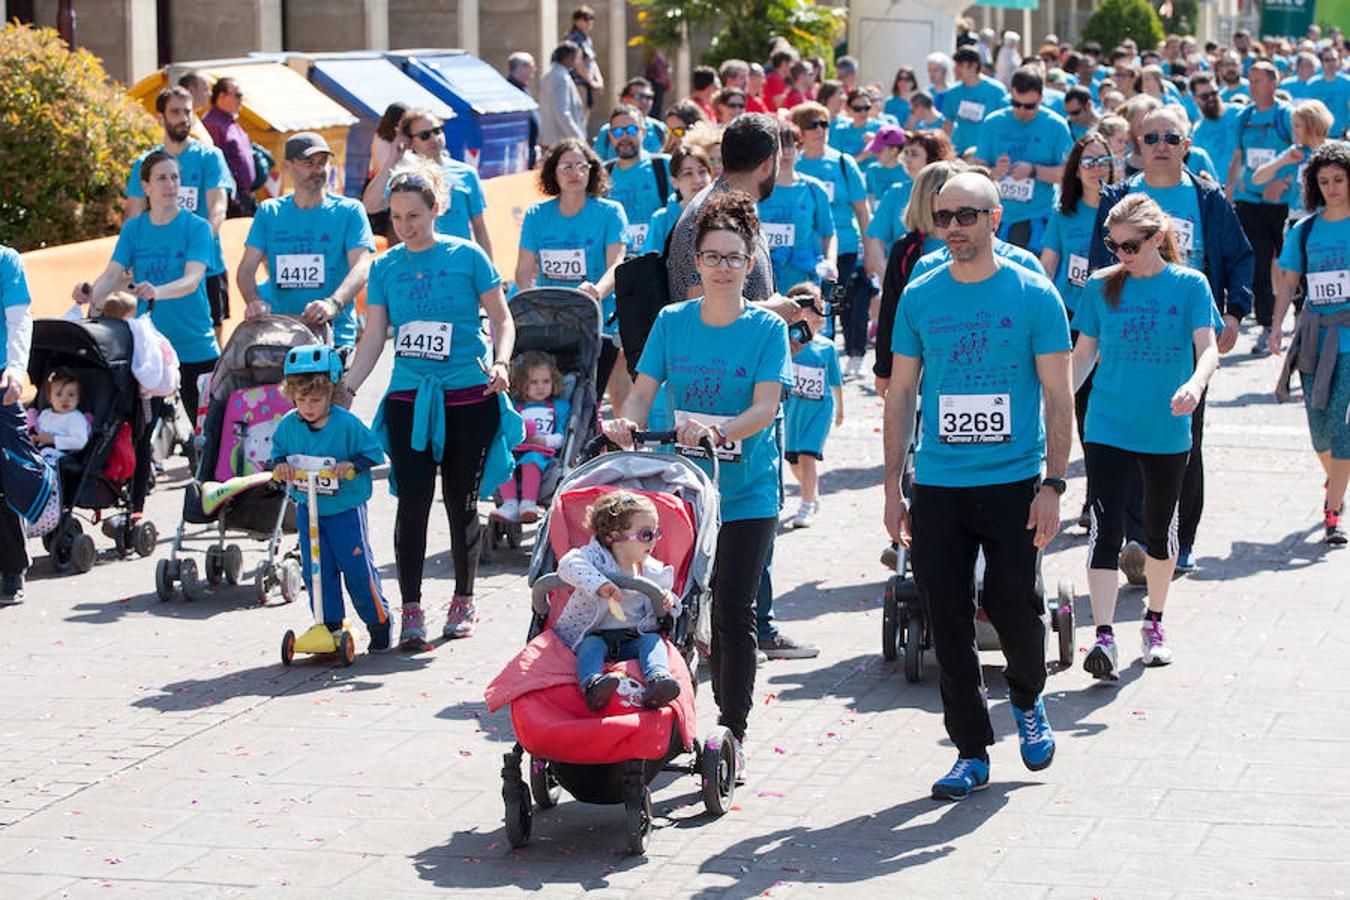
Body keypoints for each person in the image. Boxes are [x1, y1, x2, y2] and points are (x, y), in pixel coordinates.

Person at [882, 172, 1071, 801]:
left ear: (995, 218)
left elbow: (1057, 394)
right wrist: (891, 488)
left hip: (1015, 479)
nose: (955, 227)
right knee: (948, 616)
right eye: (944, 216)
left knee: (1014, 604)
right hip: (938, 482)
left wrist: (1054, 484)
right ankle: (970, 750)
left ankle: (1028, 699)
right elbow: (902, 393)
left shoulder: (1033, 292)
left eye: (967, 215)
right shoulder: (921, 293)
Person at [605, 190, 793, 779]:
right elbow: (642, 389)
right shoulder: (670, 321)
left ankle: (732, 728)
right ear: (696, 261)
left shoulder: (766, 328)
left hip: (746, 491)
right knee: (669, 607)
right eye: (711, 257)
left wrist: (720, 431)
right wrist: (627, 422)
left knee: (733, 608)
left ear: (750, 261)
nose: (722, 268)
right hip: (682, 491)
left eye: (734, 258)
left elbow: (766, 405)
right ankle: (665, 711)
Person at [344, 164, 517, 650]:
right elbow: (375, 336)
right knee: (412, 502)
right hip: (409, 398)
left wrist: (502, 363)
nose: (405, 225)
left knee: (461, 501)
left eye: (414, 215)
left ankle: (463, 598)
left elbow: (503, 320)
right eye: (396, 217)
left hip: (469, 395)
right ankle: (412, 608)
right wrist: (350, 388)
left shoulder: (467, 256)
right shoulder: (384, 267)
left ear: (436, 209)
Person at [1089, 104, 1254, 574]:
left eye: (1171, 138)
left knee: (1184, 442)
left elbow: (1240, 257)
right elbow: (1098, 265)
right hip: (1127, 334)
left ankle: (1178, 541)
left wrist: (1236, 314)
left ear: (1187, 145)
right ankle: (1140, 539)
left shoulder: (1206, 198)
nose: (1161, 146)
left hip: (1187, 334)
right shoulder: (1120, 197)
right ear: (1137, 145)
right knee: (1126, 440)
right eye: (1151, 138)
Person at [1072, 195, 1220, 677]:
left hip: (1166, 426)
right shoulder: (1100, 287)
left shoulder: (1190, 285)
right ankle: (1104, 636)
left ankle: (1154, 621)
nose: (1122, 255)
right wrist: (1050, 413)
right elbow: (1082, 357)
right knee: (1104, 529)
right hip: (1107, 424)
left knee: (1160, 532)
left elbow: (1209, 349)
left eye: (1132, 245)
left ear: (1158, 238)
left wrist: (1195, 385)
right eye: (1113, 245)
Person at [270, 344, 392, 653]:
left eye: (315, 399)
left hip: (345, 511)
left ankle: (378, 623)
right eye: (301, 400)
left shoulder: (346, 424)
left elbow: (374, 453)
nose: (308, 407)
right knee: (317, 571)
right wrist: (281, 466)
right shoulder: (288, 426)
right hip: (308, 509)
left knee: (356, 569)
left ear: (331, 393)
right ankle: (330, 626)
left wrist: (352, 465)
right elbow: (278, 455)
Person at [83, 150, 219, 422]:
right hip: (150, 349)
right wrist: (87, 298)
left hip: (195, 344)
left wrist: (157, 291)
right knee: (141, 436)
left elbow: (192, 280)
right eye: (161, 178)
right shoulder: (134, 229)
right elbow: (112, 274)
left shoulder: (197, 228)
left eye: (174, 177)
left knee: (207, 431)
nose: (170, 185)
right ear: (145, 186)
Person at [1272, 142, 1350, 545]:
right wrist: (1274, 327)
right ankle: (1336, 478)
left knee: (1341, 423)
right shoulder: (1304, 231)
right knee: (1319, 431)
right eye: (1325, 181)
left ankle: (1333, 513)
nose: (1333, 188)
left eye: (1339, 180)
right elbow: (1287, 285)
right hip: (1314, 338)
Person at [515, 139, 628, 408]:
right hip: (550, 323)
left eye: (581, 166)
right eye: (565, 167)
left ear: (592, 171)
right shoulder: (536, 215)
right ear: (553, 172)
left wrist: (596, 292)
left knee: (589, 400)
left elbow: (617, 265)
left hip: (597, 322)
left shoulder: (610, 212)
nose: (574, 173)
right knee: (550, 398)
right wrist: (531, 303)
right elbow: (523, 271)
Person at [238, 133, 375, 349]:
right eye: (308, 163)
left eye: (322, 163)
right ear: (288, 167)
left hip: (333, 336)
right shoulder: (269, 212)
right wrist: (253, 301)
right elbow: (246, 270)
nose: (318, 170)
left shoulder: (349, 211)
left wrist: (333, 303)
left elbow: (363, 265)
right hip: (282, 336)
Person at [556, 491, 682, 710]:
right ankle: (593, 685)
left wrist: (668, 600)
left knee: (653, 643)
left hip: (634, 637)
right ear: (613, 536)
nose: (653, 540)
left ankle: (658, 680)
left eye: (656, 533)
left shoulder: (651, 569)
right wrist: (599, 584)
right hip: (596, 634)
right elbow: (567, 564)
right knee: (590, 647)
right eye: (645, 535)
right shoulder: (595, 559)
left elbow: (668, 598)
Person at [126, 87, 232, 344]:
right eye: (175, 112)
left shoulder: (210, 157)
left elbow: (218, 208)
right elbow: (133, 212)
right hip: (157, 265)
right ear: (160, 118)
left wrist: (196, 250)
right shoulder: (145, 164)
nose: (184, 118)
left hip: (206, 267)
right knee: (152, 340)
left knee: (209, 339)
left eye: (188, 111)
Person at [792, 102, 871, 378]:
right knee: (808, 307)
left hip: (843, 247)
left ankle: (839, 357)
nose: (820, 130)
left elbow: (862, 210)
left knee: (835, 303)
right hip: (805, 252)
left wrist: (870, 251)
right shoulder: (794, 163)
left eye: (824, 123)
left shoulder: (842, 162)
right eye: (813, 125)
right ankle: (807, 361)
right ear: (800, 131)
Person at [362, 109, 493, 259]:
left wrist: (489, 272)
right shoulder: (405, 177)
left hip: (459, 262)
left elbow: (480, 229)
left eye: (437, 131)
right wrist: (392, 160)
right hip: (418, 265)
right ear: (409, 142)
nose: (434, 138)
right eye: (425, 135)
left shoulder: (467, 173)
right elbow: (370, 206)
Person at [1228, 62, 1294, 355]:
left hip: (1282, 204)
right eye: (1250, 80)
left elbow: (1304, 152)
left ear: (1273, 83)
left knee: (1292, 265)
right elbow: (1239, 157)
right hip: (1250, 201)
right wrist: (1230, 188)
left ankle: (1302, 315)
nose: (1252, 86)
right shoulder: (1244, 117)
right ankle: (1267, 325)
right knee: (1257, 264)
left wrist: (1283, 182)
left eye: (1258, 81)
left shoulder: (1286, 116)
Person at [972, 66, 1073, 254]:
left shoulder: (1056, 126)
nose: (1021, 111)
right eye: (1016, 103)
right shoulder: (993, 122)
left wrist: (1033, 170)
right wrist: (995, 172)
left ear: (1041, 98)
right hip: (996, 218)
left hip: (1036, 217)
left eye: (1029, 106)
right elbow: (977, 170)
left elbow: (1068, 174)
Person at [783, 283, 843, 528]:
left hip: (819, 412)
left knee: (808, 458)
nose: (820, 313)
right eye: (813, 308)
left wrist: (841, 408)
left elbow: (835, 381)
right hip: (793, 411)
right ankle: (811, 490)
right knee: (794, 461)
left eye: (821, 307)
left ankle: (806, 505)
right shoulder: (784, 344)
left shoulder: (827, 347)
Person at [756, 121, 836, 299]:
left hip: (806, 280)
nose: (786, 152)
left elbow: (828, 233)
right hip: (765, 282)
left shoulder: (814, 188)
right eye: (779, 146)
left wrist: (831, 264)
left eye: (791, 145)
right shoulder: (756, 188)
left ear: (798, 148)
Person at [1042, 133, 1115, 320]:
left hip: (1113, 310)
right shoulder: (1063, 213)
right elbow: (1047, 267)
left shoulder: (1124, 209)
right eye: (1088, 162)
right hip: (1071, 310)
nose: (1096, 168)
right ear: (1076, 170)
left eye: (1103, 161)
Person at [864, 130, 954, 278]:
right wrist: (888, 277)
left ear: (933, 158)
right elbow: (876, 241)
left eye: (914, 154)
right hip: (905, 278)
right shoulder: (895, 192)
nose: (907, 159)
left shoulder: (952, 192)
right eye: (905, 153)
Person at [493, 351, 569, 525]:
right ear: (522, 384)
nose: (540, 387)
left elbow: (562, 436)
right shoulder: (515, 406)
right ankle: (510, 504)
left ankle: (528, 502)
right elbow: (505, 429)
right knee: (502, 460)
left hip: (542, 452)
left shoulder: (559, 406)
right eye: (533, 382)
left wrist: (544, 440)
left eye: (546, 381)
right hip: (516, 448)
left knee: (531, 459)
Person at [0, 244, 32, 605]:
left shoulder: (6, 261)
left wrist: (16, 369)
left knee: (4, 474)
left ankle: (12, 566)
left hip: (1, 378)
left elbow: (19, 319)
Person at [602, 105, 671, 256]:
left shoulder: (664, 165)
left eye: (632, 130)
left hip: (659, 262)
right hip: (620, 264)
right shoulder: (602, 173)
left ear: (643, 132)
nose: (625, 137)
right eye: (618, 131)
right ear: (611, 136)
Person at [1251, 100, 1335, 217]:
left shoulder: (1337, 151)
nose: (1293, 131)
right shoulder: (1294, 153)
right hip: (1300, 219)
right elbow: (1257, 179)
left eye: (1297, 126)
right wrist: (1283, 161)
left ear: (1312, 125)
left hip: (1332, 218)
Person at [643, 146, 714, 255]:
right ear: (674, 182)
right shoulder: (661, 220)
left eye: (702, 171)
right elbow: (648, 266)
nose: (698, 180)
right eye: (688, 173)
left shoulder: (726, 215)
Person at [201, 77, 256, 217]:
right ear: (221, 96)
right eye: (237, 95)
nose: (241, 100)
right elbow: (214, 164)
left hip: (245, 196)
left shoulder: (231, 122)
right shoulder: (213, 124)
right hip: (231, 200)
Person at [941, 47, 1010, 156]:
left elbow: (1006, 122)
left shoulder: (997, 90)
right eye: (955, 65)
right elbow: (947, 124)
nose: (955, 70)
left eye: (960, 65)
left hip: (988, 154)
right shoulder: (952, 93)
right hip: (961, 153)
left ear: (974, 66)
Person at [593, 78, 668, 161]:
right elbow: (598, 164)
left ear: (643, 131)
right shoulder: (606, 131)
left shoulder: (659, 129)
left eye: (648, 97)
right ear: (624, 99)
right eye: (638, 96)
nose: (644, 101)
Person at [1189, 73, 1243, 190]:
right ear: (1194, 99)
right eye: (1204, 96)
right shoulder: (1198, 133)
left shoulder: (1240, 114)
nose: (1211, 99)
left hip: (1247, 191)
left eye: (1214, 93)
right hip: (1221, 193)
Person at [31, 369, 88, 466]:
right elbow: (39, 432)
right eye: (59, 395)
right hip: (40, 451)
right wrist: (35, 438)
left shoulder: (76, 418)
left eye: (71, 395)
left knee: (45, 455)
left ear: (78, 398)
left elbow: (80, 442)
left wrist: (53, 440)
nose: (65, 399)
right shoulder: (45, 414)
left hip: (63, 456)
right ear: (50, 398)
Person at [539, 42, 587, 147]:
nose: (577, 62)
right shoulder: (561, 78)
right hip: (562, 141)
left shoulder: (548, 75)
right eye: (576, 58)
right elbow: (561, 112)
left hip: (549, 139)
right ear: (569, 57)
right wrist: (578, 138)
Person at [565, 5, 605, 111]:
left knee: (585, 113)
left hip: (587, 83)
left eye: (591, 18)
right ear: (576, 21)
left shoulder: (587, 40)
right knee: (580, 116)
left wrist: (599, 81)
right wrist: (592, 83)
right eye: (586, 19)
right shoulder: (572, 39)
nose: (589, 22)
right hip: (577, 83)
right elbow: (578, 63)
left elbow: (592, 62)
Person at [829, 89, 884, 164]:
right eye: (857, 108)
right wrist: (863, 155)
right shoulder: (840, 131)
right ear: (848, 109)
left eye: (867, 107)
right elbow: (835, 162)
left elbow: (892, 157)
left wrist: (877, 141)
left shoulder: (881, 128)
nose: (863, 112)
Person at [505, 54, 540, 169]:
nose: (534, 70)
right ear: (520, 67)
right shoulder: (509, 89)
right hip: (519, 151)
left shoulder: (523, 88)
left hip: (529, 148)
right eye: (531, 66)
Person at [1307, 47, 1350, 139]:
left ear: (1338, 61)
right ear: (1321, 63)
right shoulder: (1312, 84)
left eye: (1333, 60)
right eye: (1327, 60)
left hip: (1342, 135)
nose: (1331, 63)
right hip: (1319, 135)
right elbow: (1309, 112)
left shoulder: (1347, 82)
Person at [864, 125, 910, 207]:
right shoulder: (872, 169)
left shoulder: (908, 172)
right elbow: (869, 197)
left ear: (894, 151)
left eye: (879, 150)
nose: (875, 153)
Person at [176, 71, 216, 147]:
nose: (210, 93)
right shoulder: (180, 123)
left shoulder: (194, 118)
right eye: (205, 89)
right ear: (190, 91)